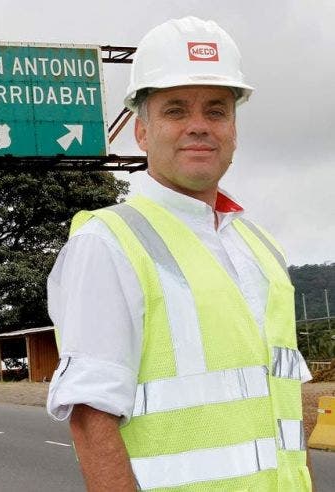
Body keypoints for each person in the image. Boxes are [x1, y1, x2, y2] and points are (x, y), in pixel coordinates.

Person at [46, 16, 313, 491]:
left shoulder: (260, 248)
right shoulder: (108, 243)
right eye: (175, 110)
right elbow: (91, 418)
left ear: (233, 125)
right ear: (142, 131)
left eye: (216, 110)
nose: (199, 127)